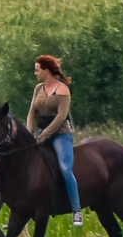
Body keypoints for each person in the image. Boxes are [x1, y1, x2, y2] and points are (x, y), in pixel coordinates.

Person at [26, 55, 83, 226]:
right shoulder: (38, 89)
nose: (35, 73)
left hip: (60, 135)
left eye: (37, 70)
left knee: (65, 169)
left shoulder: (62, 90)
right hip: (41, 134)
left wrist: (45, 135)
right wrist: (30, 132)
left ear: (46, 71)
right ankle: (26, 211)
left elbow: (61, 117)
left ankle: (77, 210)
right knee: (28, 169)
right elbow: (32, 112)